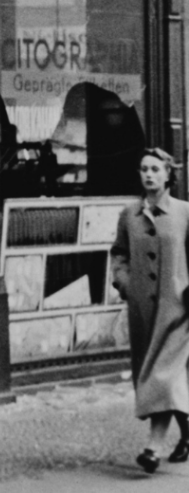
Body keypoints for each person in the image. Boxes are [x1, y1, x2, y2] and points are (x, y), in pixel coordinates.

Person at [111, 148, 189, 473]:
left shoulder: (185, 213)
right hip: (142, 312)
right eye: (144, 168)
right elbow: (119, 255)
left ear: (168, 174)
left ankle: (152, 448)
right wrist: (125, 284)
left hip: (178, 311)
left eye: (156, 169)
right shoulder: (129, 215)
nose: (149, 174)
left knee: (162, 377)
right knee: (160, 377)